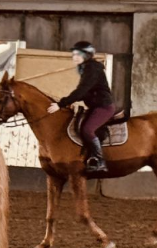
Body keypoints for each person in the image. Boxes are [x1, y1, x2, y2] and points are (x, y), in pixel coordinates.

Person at [46, 41, 116, 173]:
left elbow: (82, 90)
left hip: (103, 107)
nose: (75, 57)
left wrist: (61, 104)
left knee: (87, 130)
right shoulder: (86, 68)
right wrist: (71, 100)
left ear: (87, 55)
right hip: (95, 106)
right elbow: (86, 92)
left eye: (78, 54)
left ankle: (99, 161)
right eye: (73, 54)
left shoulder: (92, 68)